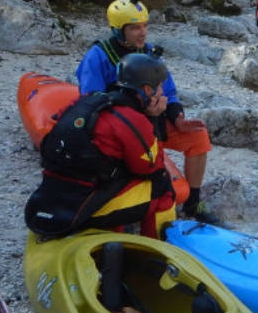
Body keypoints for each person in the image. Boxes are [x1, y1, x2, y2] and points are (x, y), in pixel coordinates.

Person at [75, 0, 219, 223]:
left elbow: (169, 92)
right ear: (117, 30)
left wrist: (177, 117)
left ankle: (193, 203)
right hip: (122, 128)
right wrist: (138, 112)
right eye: (134, 28)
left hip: (154, 121)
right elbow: (91, 100)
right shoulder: (99, 56)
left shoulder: (149, 53)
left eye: (144, 26)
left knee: (198, 137)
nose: (142, 33)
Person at [26, 53, 177, 240]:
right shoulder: (133, 120)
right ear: (147, 90)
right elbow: (151, 167)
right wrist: (154, 118)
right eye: (160, 86)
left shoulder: (84, 102)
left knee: (115, 172)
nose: (162, 92)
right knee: (162, 186)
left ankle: (114, 238)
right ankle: (158, 255)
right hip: (84, 204)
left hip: (51, 193)